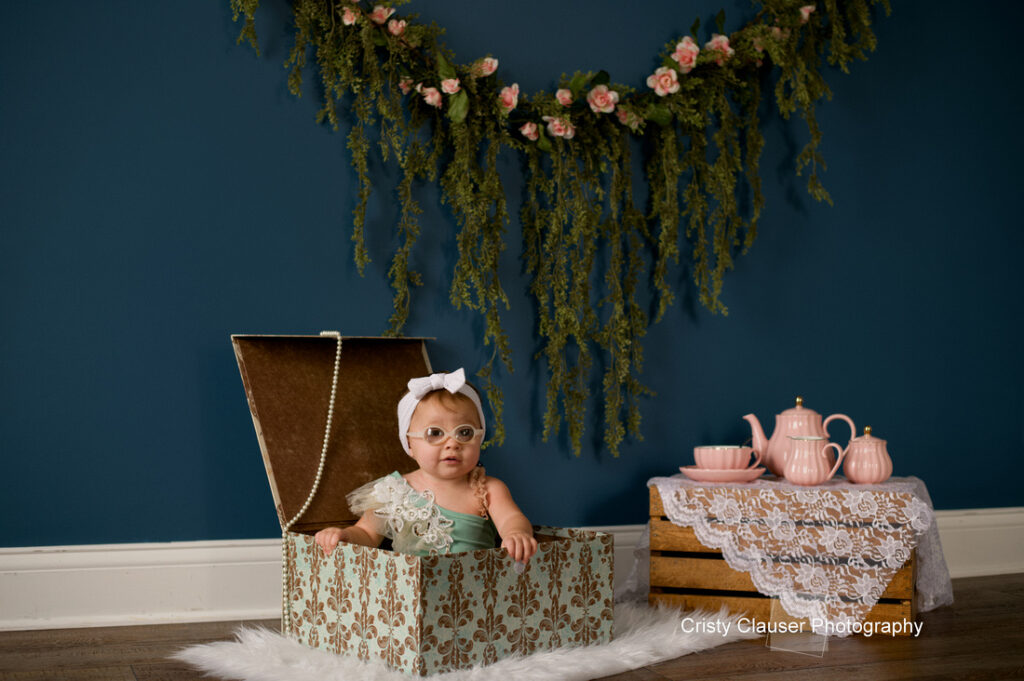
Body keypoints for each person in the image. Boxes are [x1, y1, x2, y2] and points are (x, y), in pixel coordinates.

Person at [314, 368, 538, 564]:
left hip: (472, 593)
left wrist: (516, 533)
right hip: (409, 594)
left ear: (479, 438)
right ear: (410, 443)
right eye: (435, 433)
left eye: (465, 432)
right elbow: (367, 533)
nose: (452, 444)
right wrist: (345, 536)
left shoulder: (487, 488)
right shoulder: (395, 489)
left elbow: (511, 518)